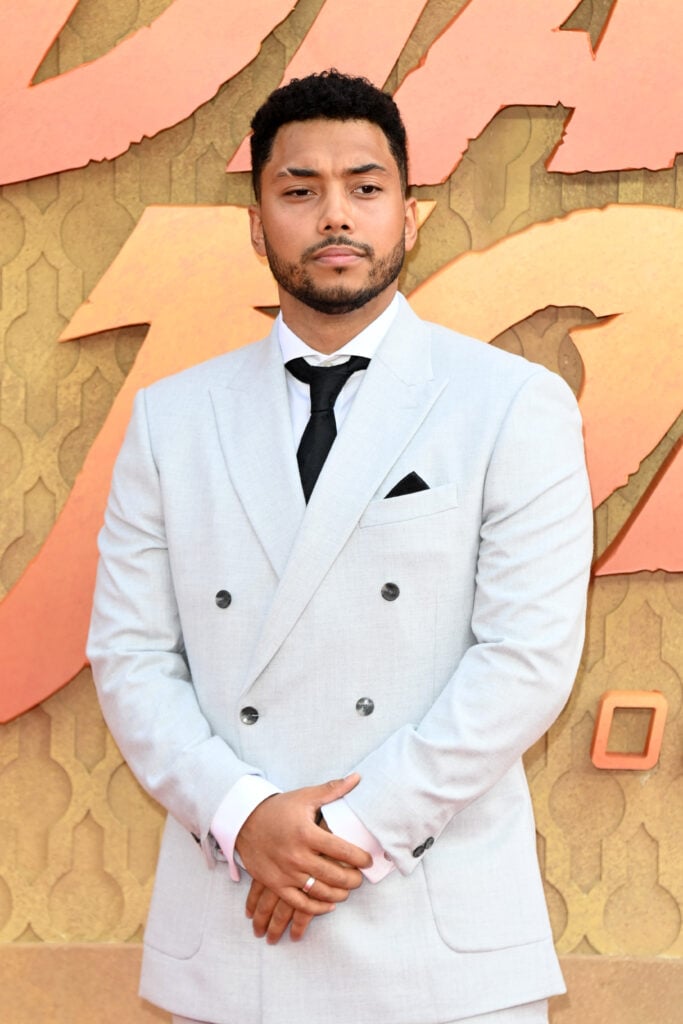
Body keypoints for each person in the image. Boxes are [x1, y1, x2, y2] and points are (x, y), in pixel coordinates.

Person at [88, 70, 593, 1024]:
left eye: (365, 187)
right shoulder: (172, 419)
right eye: (298, 189)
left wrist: (338, 837)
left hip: (438, 932)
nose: (334, 215)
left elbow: (523, 660)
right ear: (255, 221)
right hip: (235, 916)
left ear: (413, 212)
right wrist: (245, 820)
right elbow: (130, 654)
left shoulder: (509, 403)